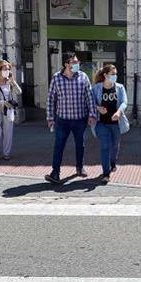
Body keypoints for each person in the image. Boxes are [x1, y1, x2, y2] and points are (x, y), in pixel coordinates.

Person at [45, 52, 96, 184]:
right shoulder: (57, 78)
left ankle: (80, 167)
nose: (77, 64)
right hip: (62, 120)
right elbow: (51, 99)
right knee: (59, 146)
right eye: (74, 62)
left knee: (80, 145)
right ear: (66, 64)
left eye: (77, 62)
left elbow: (89, 96)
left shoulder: (83, 77)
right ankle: (55, 172)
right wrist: (50, 118)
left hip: (80, 119)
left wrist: (92, 114)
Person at [92, 65, 128, 184]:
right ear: (106, 75)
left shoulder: (120, 87)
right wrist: (98, 108)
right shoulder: (97, 88)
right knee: (105, 147)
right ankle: (106, 173)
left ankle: (113, 161)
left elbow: (124, 102)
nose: (115, 76)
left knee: (115, 145)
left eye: (116, 74)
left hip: (116, 123)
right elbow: (91, 103)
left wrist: (118, 112)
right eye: (113, 74)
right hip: (101, 123)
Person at [0, 60, 22, 161]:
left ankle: (6, 153)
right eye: (5, 69)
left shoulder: (9, 81)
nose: (7, 71)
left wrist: (13, 81)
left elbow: (19, 92)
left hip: (8, 109)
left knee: (8, 132)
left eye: (8, 69)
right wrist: (2, 103)